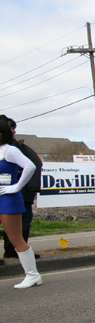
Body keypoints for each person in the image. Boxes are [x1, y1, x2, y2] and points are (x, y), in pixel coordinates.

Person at [0, 115, 41, 288]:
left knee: (16, 238)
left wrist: (15, 187)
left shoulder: (10, 150)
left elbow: (30, 166)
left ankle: (32, 275)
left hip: (8, 199)